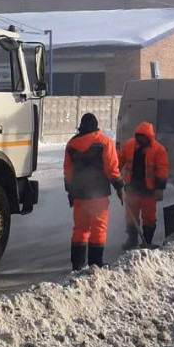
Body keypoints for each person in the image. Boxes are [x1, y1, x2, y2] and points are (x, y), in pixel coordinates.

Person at [63, 113, 124, 270]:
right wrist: (119, 185)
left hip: (79, 194)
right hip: (99, 194)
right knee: (98, 228)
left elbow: (68, 170)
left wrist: (70, 191)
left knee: (80, 229)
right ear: (96, 126)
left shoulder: (71, 144)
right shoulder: (104, 142)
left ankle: (77, 264)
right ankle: (96, 263)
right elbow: (111, 168)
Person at [118, 121, 169, 250]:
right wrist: (113, 174)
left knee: (149, 218)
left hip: (149, 190)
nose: (141, 139)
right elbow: (119, 161)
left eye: (143, 137)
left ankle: (147, 241)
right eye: (139, 136)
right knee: (131, 217)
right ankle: (132, 239)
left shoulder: (158, 150)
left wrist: (159, 188)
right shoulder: (129, 145)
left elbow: (162, 170)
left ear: (149, 137)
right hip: (132, 188)